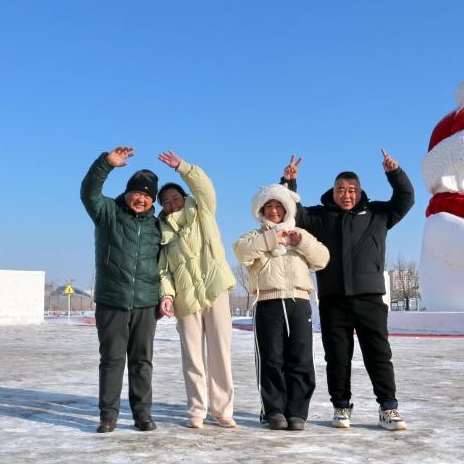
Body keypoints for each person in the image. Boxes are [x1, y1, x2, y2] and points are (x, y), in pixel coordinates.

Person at [280, 150, 414, 431]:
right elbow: (292, 213)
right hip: (333, 300)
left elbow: (405, 199)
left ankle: (388, 408)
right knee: (337, 357)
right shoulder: (319, 218)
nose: (346, 194)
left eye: (352, 190)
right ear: (334, 191)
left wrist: (394, 173)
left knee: (378, 354)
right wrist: (289, 182)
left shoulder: (378, 214)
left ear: (360, 191)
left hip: (370, 298)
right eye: (341, 189)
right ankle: (341, 406)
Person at [232, 184, 329, 431]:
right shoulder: (254, 237)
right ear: (261, 210)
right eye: (269, 206)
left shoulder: (300, 234)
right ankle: (274, 410)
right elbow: (241, 252)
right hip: (267, 302)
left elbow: (322, 259)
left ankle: (297, 412)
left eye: (279, 205)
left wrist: (301, 242)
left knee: (301, 358)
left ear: (287, 209)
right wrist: (270, 239)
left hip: (299, 302)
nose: (274, 210)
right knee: (271, 359)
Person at [80, 146, 162, 433]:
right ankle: (108, 415)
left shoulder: (157, 226)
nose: (141, 199)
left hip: (146, 303)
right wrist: (106, 163)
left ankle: (142, 414)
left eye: (147, 195)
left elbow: (165, 264)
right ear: (127, 193)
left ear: (153, 200)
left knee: (142, 361)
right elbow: (89, 191)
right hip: (112, 301)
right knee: (112, 360)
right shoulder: (108, 213)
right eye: (137, 193)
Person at [155, 150, 237, 430]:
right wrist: (166, 295)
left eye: (175, 198)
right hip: (186, 299)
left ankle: (223, 409)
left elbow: (205, 187)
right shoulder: (162, 232)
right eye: (165, 202)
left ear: (185, 197)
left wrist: (183, 168)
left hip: (215, 291)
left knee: (220, 353)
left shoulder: (203, 212)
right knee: (192, 356)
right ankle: (197, 410)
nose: (171, 204)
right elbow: (163, 270)